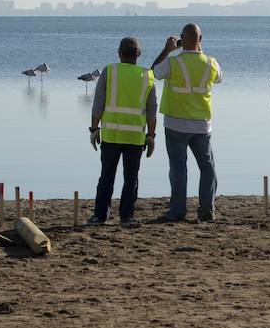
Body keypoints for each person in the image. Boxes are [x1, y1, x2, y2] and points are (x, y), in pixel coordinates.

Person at [150, 23, 222, 222]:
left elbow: (153, 72)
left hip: (176, 123)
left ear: (182, 40)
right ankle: (207, 210)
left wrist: (167, 50)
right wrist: (199, 49)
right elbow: (219, 79)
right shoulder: (211, 63)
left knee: (178, 168)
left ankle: (178, 210)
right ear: (201, 39)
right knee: (207, 167)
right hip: (201, 124)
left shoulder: (174, 62)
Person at [88, 36, 158, 225]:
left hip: (111, 134)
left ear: (119, 53)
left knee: (107, 176)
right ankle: (127, 216)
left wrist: (94, 129)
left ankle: (100, 216)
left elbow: (98, 105)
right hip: (135, 136)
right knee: (131, 178)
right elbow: (152, 111)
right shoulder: (147, 75)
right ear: (139, 54)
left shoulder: (110, 71)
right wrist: (151, 136)